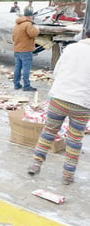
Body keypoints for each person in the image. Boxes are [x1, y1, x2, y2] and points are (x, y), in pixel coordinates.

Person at [27, 29, 90, 185]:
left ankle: (36, 164)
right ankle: (68, 175)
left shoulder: (71, 48)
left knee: (48, 132)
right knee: (75, 139)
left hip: (60, 97)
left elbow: (56, 72)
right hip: (82, 103)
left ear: (85, 36)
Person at [12, 10, 39, 91]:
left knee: (17, 67)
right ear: (30, 16)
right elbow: (33, 34)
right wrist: (37, 30)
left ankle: (16, 84)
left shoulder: (16, 25)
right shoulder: (28, 24)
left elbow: (13, 38)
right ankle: (26, 86)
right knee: (26, 68)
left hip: (17, 49)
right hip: (26, 50)